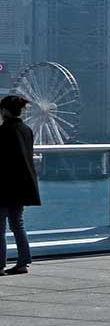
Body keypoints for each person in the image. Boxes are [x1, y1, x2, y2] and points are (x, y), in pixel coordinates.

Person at [0, 95, 38, 275]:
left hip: (4, 184)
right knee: (17, 223)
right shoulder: (27, 130)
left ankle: (0, 264)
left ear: (5, 111)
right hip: (22, 184)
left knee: (0, 226)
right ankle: (23, 262)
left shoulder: (3, 131)